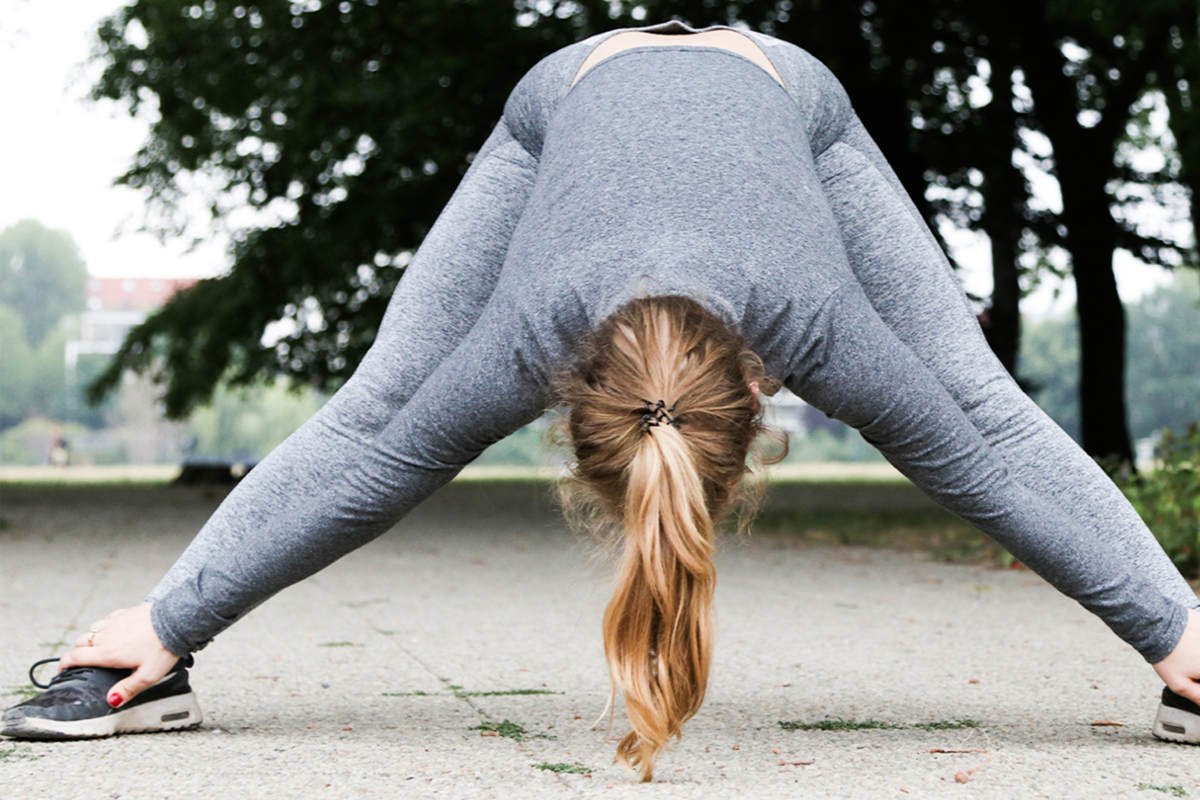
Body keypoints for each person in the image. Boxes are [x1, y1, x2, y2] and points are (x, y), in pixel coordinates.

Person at [5, 18, 1200, 782]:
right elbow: (366, 446)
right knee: (387, 396)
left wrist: (167, 618)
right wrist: (171, 619)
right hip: (561, 103)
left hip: (789, 97)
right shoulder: (545, 320)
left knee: (972, 400)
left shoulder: (798, 308)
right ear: (758, 392)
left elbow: (992, 440)